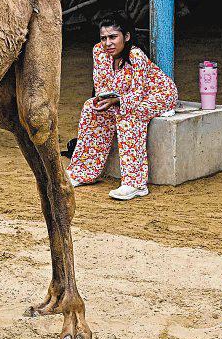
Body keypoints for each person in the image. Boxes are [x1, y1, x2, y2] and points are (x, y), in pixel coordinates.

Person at [66, 13, 177, 200]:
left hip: (157, 94)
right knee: (90, 108)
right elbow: (101, 84)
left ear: (126, 37)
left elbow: (138, 93)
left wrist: (117, 101)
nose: (108, 43)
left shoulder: (135, 55)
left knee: (130, 114)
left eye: (113, 37)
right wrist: (104, 100)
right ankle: (83, 172)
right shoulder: (99, 52)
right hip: (120, 96)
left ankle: (135, 184)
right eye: (104, 38)